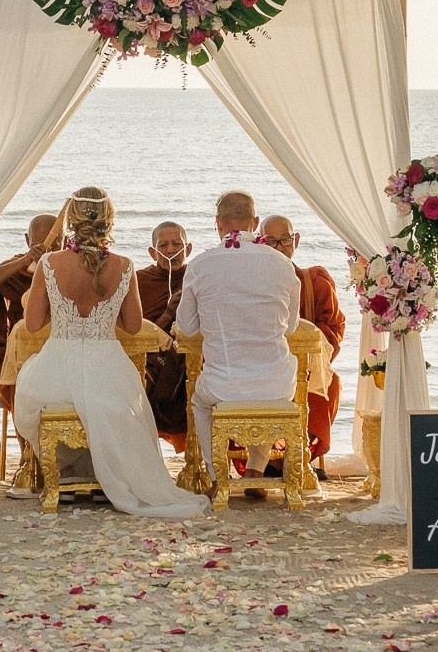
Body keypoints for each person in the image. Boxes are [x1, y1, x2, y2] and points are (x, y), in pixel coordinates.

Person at [11, 187, 209, 517]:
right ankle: (107, 480)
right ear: (109, 220)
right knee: (111, 400)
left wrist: (59, 311)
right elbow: (132, 326)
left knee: (34, 384)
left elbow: (31, 325)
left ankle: (68, 480)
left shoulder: (50, 263)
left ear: (71, 221)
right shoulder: (124, 266)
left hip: (58, 365)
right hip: (108, 365)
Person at [176, 191, 299, 480]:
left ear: (217, 223)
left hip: (223, 386)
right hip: (278, 385)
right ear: (255, 222)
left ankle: (216, 476)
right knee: (270, 379)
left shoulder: (200, 265)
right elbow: (290, 327)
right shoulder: (283, 265)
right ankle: (255, 468)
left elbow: (187, 327)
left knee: (199, 402)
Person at [258, 215, 345, 470]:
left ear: (295, 241)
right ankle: (262, 461)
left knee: (331, 384)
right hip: (262, 366)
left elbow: (334, 327)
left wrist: (305, 350)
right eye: (271, 241)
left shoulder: (313, 280)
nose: (278, 248)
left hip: (306, 367)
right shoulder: (253, 283)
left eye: (284, 240)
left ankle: (299, 456)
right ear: (260, 243)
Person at [0, 213, 57, 412]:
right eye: (38, 245)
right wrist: (26, 260)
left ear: (65, 242)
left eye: (54, 244)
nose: (45, 251)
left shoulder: (68, 267)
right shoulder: (18, 266)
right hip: (23, 351)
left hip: (59, 347)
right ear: (27, 241)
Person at [135, 220, 193, 449]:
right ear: (152, 252)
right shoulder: (140, 281)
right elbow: (133, 332)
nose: (171, 250)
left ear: (188, 249)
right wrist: (169, 313)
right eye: (164, 245)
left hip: (187, 361)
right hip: (150, 362)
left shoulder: (196, 277)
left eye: (177, 244)